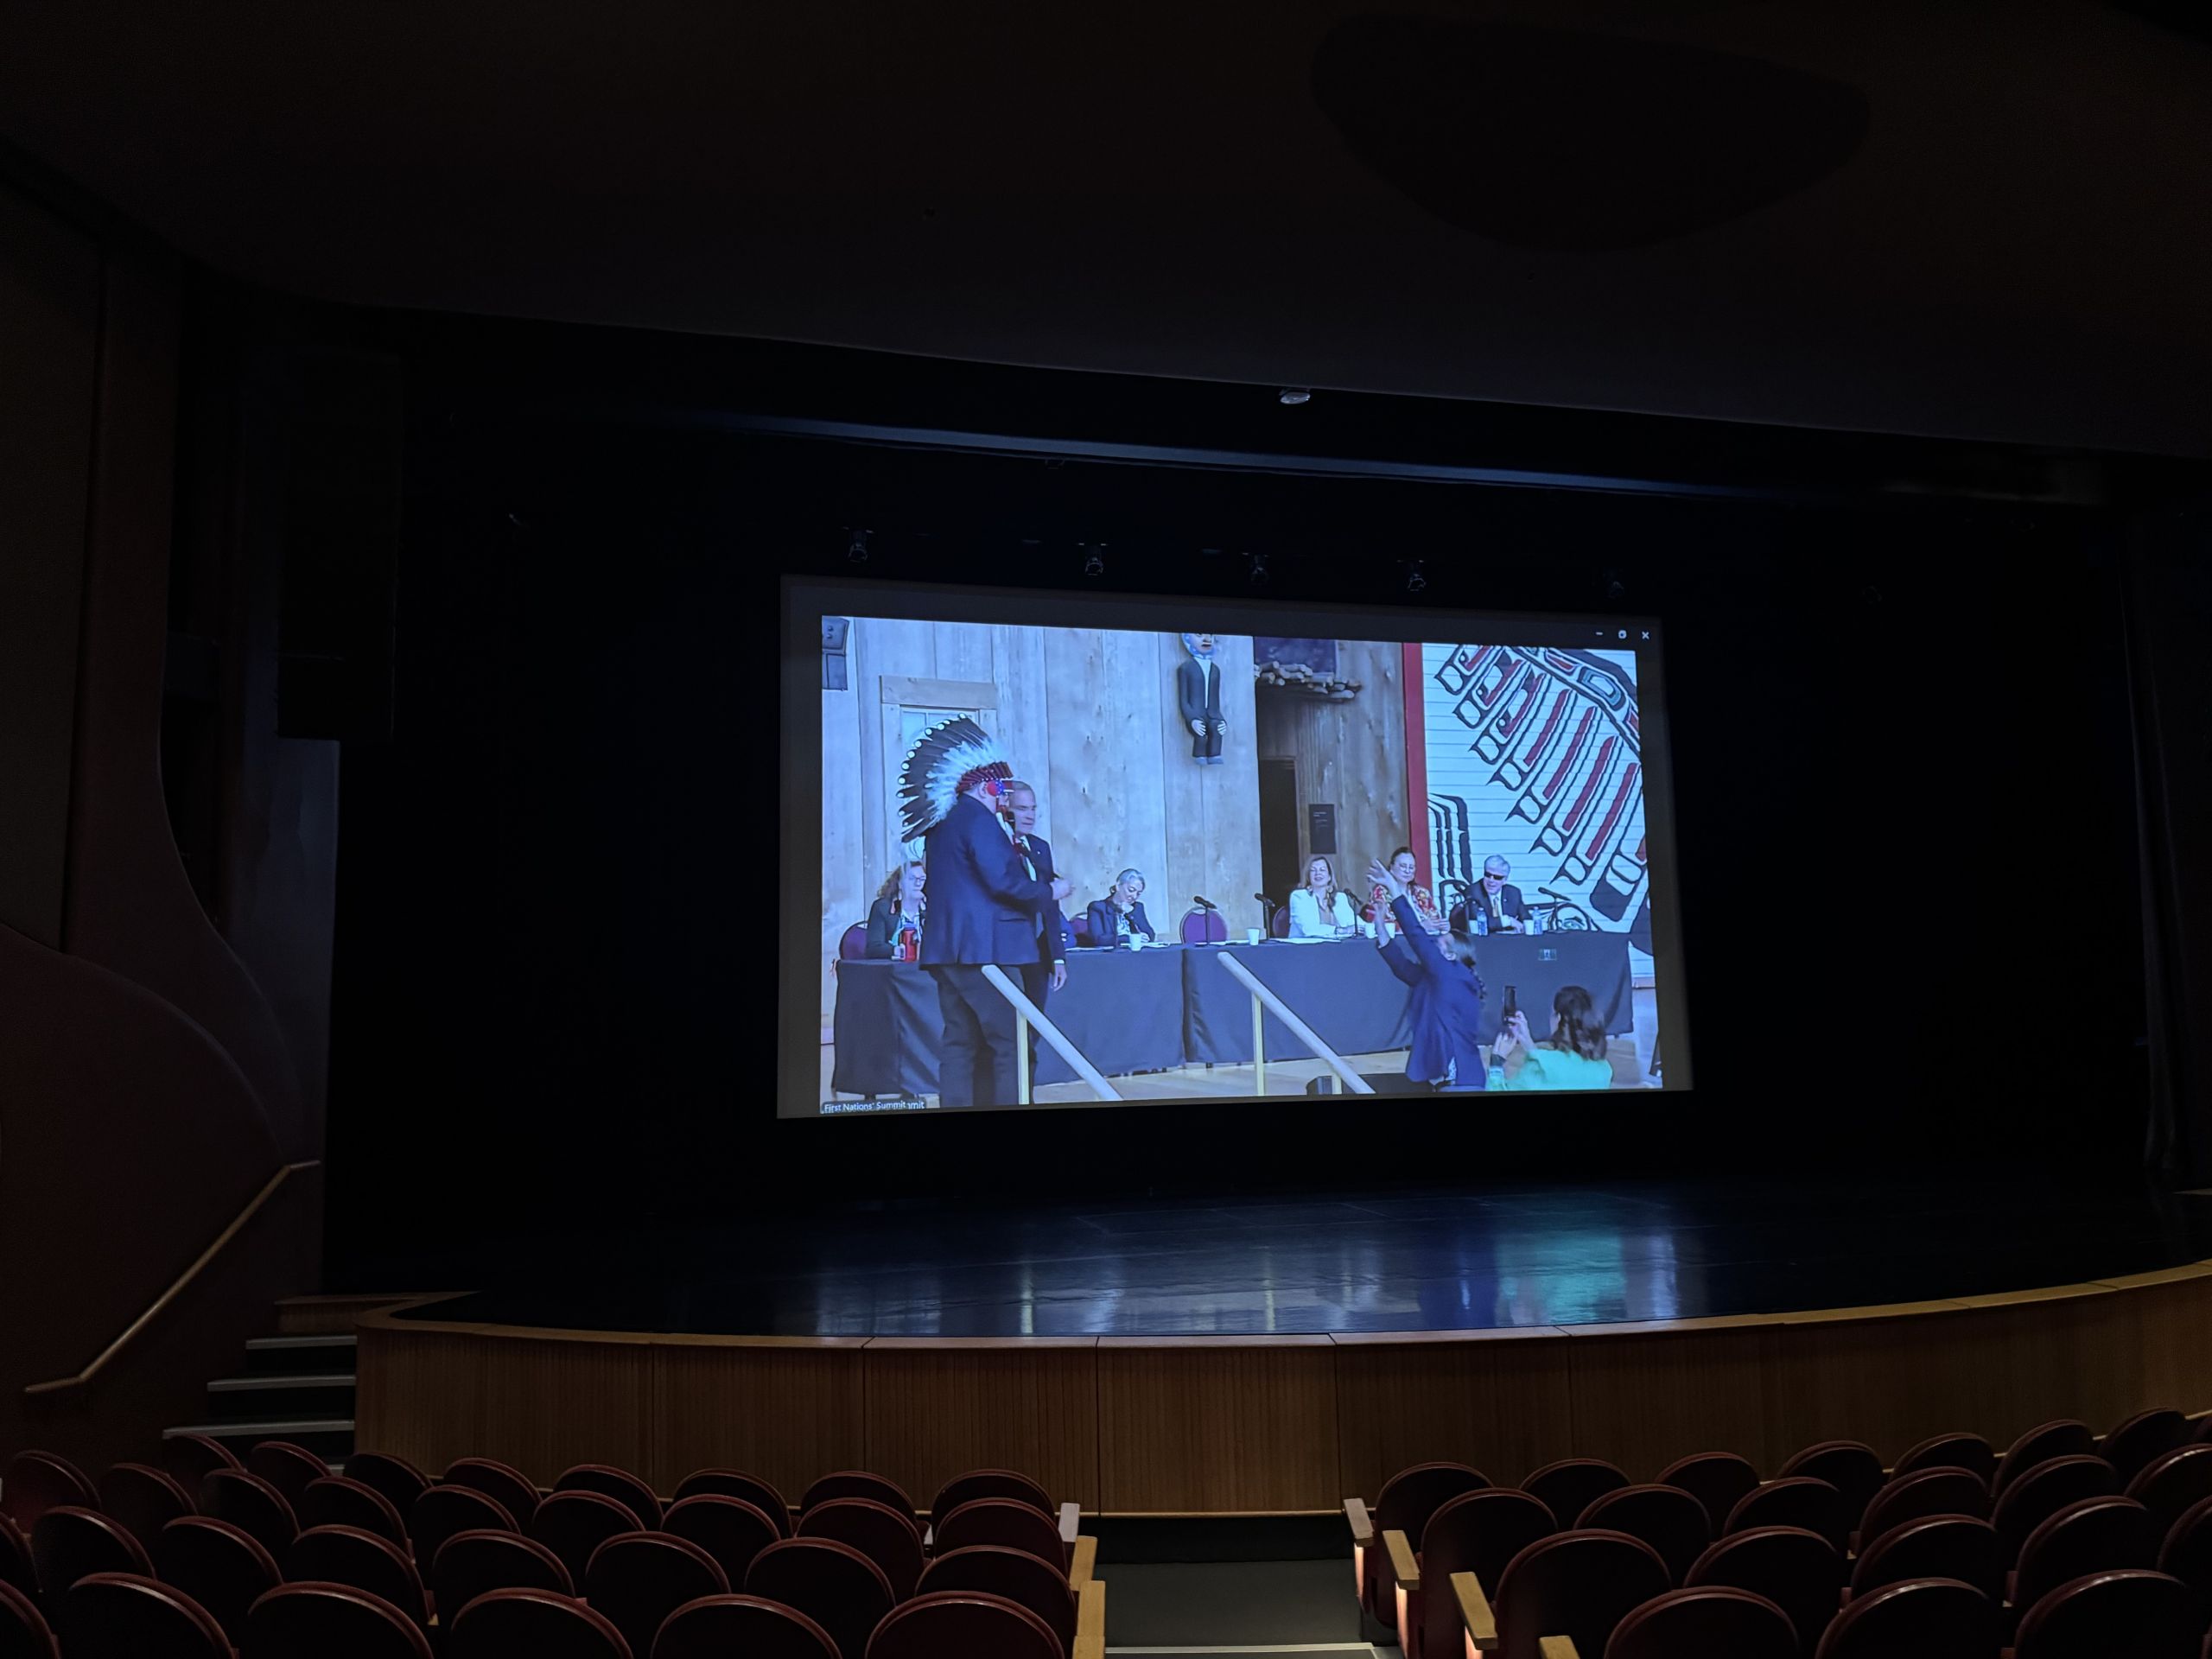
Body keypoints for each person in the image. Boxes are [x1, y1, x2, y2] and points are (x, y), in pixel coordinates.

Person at [897, 716, 1073, 1109]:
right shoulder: (979, 821)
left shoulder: (942, 826)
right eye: (1001, 790)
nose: (1004, 800)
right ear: (984, 787)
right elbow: (1004, 882)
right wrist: (1050, 890)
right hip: (986, 951)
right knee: (1011, 1040)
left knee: (960, 1041)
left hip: (948, 952)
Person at [1367, 857, 1487, 1090]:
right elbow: (1401, 966)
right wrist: (1380, 924)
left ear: (1451, 955)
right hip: (1445, 1077)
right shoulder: (1438, 979)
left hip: (1461, 1081)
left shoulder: (1451, 974)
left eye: (1440, 944)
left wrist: (1393, 887)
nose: (1434, 944)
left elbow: (1416, 934)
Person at [1001, 780, 1070, 1066]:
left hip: (1038, 953)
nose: (1029, 815)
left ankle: (1026, 1081)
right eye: (1021, 809)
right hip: (1008, 950)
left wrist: (1058, 957)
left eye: (1033, 809)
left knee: (1035, 1024)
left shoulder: (1040, 847)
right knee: (1007, 1027)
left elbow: (1050, 906)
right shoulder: (997, 847)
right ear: (1006, 810)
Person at [1493, 984, 1616, 1090]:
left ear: (1559, 1019)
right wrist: (1529, 1045)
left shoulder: (1539, 1068)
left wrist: (1496, 1063)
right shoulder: (1604, 1070)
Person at [1369, 845, 1445, 939]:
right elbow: (1382, 925)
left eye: (1411, 867)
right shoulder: (1380, 892)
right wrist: (1421, 926)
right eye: (1403, 866)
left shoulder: (1421, 892)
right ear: (1391, 867)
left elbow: (1434, 918)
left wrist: (1442, 926)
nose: (1408, 871)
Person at [1176, 632, 1228, 766]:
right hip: (1196, 713)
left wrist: (1221, 719)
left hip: (1212, 713)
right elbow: (1184, 700)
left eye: (1210, 635)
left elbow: (1215, 700)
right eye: (1199, 635)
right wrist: (1192, 718)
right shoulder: (1186, 668)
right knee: (1200, 732)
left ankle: (1215, 754)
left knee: (1216, 727)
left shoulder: (1215, 670)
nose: (1207, 639)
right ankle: (1199, 754)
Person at [1448, 855, 1529, 934]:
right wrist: (1508, 921)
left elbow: (1526, 917)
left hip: (1510, 939)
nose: (1491, 880)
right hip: (1484, 940)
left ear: (1505, 880)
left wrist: (1526, 926)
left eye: (1497, 877)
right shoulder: (1473, 891)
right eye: (1488, 875)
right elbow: (1477, 922)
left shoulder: (1513, 893)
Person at [864, 858, 925, 960]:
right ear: (900, 884)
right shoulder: (883, 907)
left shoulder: (932, 911)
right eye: (912, 878)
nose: (918, 883)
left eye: (922, 879)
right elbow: (873, 948)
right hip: (892, 968)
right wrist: (895, 951)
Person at [1287, 855, 1356, 938]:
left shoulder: (1340, 898)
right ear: (1308, 876)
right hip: (1306, 945)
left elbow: (1353, 922)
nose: (1318, 873)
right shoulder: (1299, 897)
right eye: (1313, 870)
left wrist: (1366, 927)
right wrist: (1340, 931)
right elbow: (1309, 930)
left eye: (1322, 870)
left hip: (1335, 945)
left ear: (1329, 877)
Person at [1084, 869, 1157, 947]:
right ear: (1118, 886)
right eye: (1131, 890)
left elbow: (1150, 936)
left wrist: (1132, 912)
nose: (1134, 896)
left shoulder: (1137, 907)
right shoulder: (1098, 908)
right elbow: (1098, 939)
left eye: (1138, 893)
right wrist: (1129, 938)